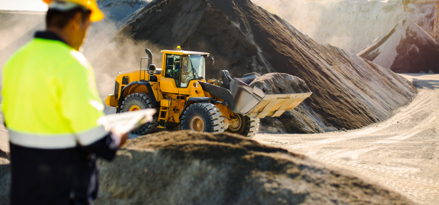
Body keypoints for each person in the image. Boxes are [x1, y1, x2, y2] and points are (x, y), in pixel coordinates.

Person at [1, 0, 129, 204]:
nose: (87, 33)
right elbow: (95, 139)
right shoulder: (71, 64)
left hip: (23, 193)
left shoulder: (16, 60)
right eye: (88, 24)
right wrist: (117, 134)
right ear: (77, 19)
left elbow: (10, 121)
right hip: (62, 193)